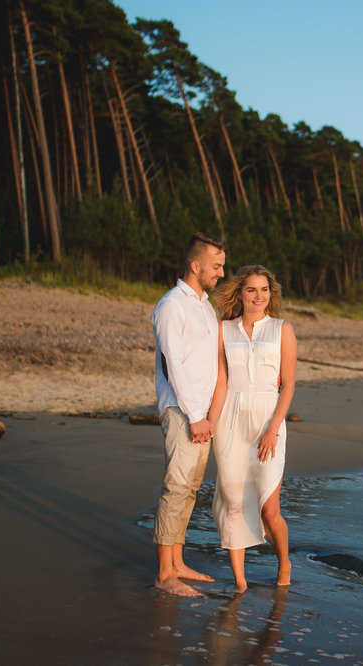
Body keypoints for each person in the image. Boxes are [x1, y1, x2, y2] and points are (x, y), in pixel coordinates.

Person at [208, 264, 297, 592]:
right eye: (251, 290)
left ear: (270, 294)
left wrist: (273, 428)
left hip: (267, 420)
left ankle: (284, 563)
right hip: (231, 417)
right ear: (240, 294)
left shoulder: (281, 329)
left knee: (269, 508)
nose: (259, 296)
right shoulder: (224, 330)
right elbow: (221, 381)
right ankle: (241, 582)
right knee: (232, 499)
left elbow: (287, 385)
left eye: (264, 290)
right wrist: (210, 424)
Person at [150, 232, 227, 597]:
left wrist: (210, 414)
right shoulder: (171, 306)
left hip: (201, 414)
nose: (221, 273)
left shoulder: (205, 306)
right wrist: (196, 415)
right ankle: (165, 574)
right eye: (216, 266)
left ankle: (178, 562)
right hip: (182, 410)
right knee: (176, 487)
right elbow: (173, 366)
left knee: (191, 488)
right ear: (195, 265)